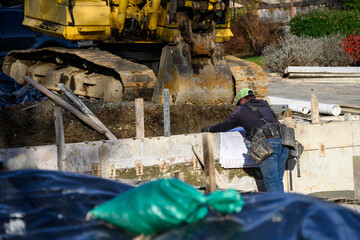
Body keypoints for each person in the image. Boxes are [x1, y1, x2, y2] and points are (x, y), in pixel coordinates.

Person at [202, 88, 289, 192]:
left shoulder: (241, 111)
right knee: (278, 180)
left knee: (271, 182)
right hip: (284, 142)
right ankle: (284, 206)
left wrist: (209, 129)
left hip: (268, 144)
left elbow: (224, 126)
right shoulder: (265, 105)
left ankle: (276, 208)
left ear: (242, 100)